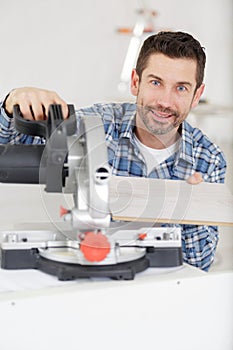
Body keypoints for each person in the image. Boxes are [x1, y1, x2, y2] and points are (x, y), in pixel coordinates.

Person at [0, 31, 226, 271]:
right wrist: (12, 104)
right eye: (156, 82)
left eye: (181, 88)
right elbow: (12, 146)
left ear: (196, 96)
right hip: (92, 275)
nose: (165, 101)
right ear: (136, 82)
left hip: (161, 289)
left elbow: (198, 266)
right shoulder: (97, 124)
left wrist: (190, 210)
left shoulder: (208, 159)